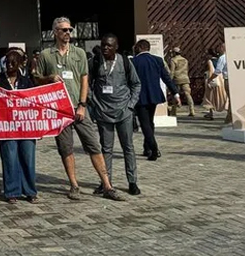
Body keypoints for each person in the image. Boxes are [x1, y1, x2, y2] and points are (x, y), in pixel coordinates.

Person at [35, 18, 121, 201]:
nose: (68, 32)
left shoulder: (79, 53)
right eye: (64, 30)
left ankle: (107, 185)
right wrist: (49, 78)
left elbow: (84, 79)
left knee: (93, 145)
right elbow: (37, 79)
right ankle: (74, 185)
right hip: (58, 109)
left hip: (78, 106)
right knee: (65, 148)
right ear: (55, 32)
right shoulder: (45, 55)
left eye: (70, 29)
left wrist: (82, 105)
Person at [89, 34, 142, 196]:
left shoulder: (125, 62)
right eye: (103, 45)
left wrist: (131, 105)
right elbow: (86, 84)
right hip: (103, 113)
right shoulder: (95, 62)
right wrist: (94, 103)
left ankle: (132, 181)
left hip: (123, 111)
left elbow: (136, 84)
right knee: (106, 149)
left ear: (116, 47)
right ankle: (106, 182)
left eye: (109, 45)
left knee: (128, 147)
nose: (105, 48)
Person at [0, 50, 39, 204]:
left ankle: (30, 191)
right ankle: (12, 191)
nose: (10, 65)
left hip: (26, 127)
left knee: (28, 158)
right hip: (7, 127)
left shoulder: (27, 82)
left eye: (14, 62)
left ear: (20, 64)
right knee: (10, 158)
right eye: (8, 62)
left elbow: (36, 103)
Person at [132, 40, 178, 160]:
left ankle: (154, 149)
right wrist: (175, 93)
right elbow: (166, 78)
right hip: (154, 95)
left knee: (145, 123)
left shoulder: (134, 61)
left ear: (139, 48)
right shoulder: (157, 60)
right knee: (150, 121)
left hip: (140, 96)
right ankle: (147, 147)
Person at [166, 47, 195, 117]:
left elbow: (172, 71)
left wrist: (170, 80)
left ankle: (174, 111)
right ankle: (192, 110)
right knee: (188, 94)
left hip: (177, 79)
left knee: (175, 94)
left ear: (174, 53)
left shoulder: (173, 60)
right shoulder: (185, 60)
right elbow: (187, 69)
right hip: (185, 78)